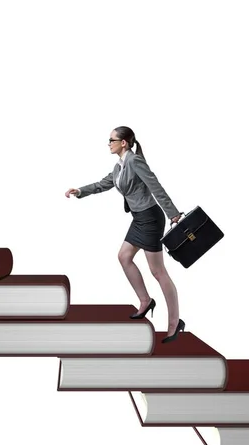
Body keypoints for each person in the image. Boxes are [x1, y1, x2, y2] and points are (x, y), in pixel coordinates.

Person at [65, 126, 184, 343]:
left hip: (150, 218)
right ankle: (145, 301)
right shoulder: (119, 166)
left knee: (158, 272)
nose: (108, 143)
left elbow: (155, 186)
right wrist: (80, 191)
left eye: (112, 140)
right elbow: (104, 184)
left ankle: (175, 322)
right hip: (139, 219)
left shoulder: (134, 161)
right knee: (124, 257)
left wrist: (173, 214)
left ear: (124, 143)